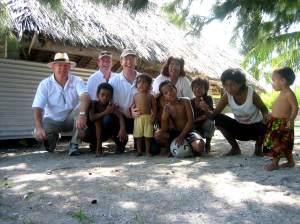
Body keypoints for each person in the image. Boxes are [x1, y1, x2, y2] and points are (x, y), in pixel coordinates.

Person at [32, 52, 90, 156]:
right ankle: (52, 138)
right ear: (53, 67)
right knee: (41, 138)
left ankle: (74, 144)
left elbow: (85, 96)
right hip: (52, 120)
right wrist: (39, 127)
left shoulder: (77, 80)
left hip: (70, 120)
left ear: (69, 68)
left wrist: (82, 115)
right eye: (59, 65)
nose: (62, 68)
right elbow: (37, 106)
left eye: (65, 66)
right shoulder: (45, 84)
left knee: (81, 107)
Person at [202, 68, 268, 156]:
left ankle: (258, 147)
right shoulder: (227, 96)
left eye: (232, 84)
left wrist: (265, 119)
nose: (229, 88)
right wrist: (206, 110)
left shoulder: (251, 94)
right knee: (219, 119)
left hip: (256, 130)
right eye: (226, 85)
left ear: (240, 83)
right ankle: (235, 148)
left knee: (268, 121)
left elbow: (264, 109)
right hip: (240, 129)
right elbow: (214, 115)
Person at [154, 81, 204, 156]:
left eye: (171, 90)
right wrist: (164, 118)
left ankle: (190, 147)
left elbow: (191, 121)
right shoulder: (167, 108)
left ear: (176, 89)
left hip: (188, 132)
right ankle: (170, 147)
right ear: (164, 97)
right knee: (158, 134)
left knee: (199, 147)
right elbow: (164, 128)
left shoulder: (186, 101)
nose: (169, 93)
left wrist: (182, 136)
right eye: (166, 93)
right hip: (175, 133)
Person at [263, 67, 298, 171]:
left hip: (283, 123)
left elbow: (295, 107)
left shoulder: (289, 94)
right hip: (275, 122)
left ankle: (274, 164)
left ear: (283, 81)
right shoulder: (282, 93)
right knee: (284, 144)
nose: (272, 83)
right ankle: (290, 161)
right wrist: (271, 114)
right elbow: (279, 108)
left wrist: (291, 119)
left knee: (277, 143)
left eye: (274, 80)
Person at [108, 49, 139, 152]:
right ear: (121, 62)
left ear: (136, 62)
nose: (128, 62)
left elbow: (150, 99)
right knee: (109, 119)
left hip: (139, 117)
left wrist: (136, 112)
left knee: (144, 148)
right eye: (126, 59)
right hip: (121, 117)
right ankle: (120, 142)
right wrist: (124, 113)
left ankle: (138, 142)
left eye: (131, 59)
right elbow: (112, 105)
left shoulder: (142, 78)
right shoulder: (113, 81)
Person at [89, 83, 126, 157]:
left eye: (108, 96)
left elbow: (120, 116)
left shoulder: (111, 106)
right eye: (102, 95)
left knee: (103, 120)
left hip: (107, 133)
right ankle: (97, 146)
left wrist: (122, 128)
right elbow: (92, 117)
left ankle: (119, 145)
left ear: (111, 97)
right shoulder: (93, 104)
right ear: (97, 95)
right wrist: (106, 112)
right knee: (97, 121)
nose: (105, 97)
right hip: (92, 132)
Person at [132, 74, 157, 156]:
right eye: (139, 82)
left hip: (148, 118)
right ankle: (139, 151)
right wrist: (132, 113)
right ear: (136, 85)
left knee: (148, 136)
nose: (141, 84)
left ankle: (147, 151)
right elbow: (132, 107)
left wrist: (153, 117)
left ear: (149, 85)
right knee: (138, 136)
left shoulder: (151, 96)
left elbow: (154, 109)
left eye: (144, 82)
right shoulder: (135, 96)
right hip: (138, 118)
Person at [190, 77, 215, 152]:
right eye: (195, 87)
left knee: (210, 123)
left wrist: (205, 109)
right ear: (192, 89)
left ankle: (208, 143)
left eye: (201, 87)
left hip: (204, 123)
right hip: (195, 125)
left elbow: (210, 114)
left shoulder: (208, 99)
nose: (198, 89)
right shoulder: (190, 101)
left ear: (205, 89)